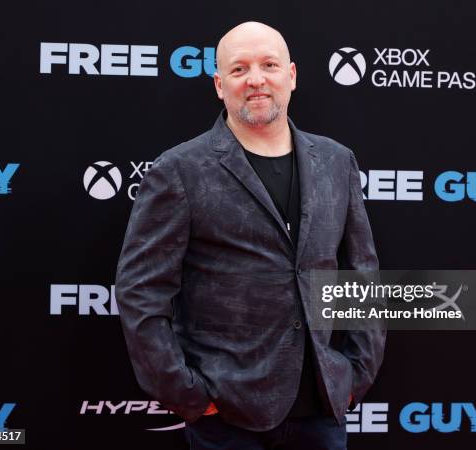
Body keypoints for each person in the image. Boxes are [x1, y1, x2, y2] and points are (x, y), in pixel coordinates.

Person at [115, 21, 385, 450]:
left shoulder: (336, 161)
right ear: (220, 85)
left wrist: (355, 372)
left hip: (322, 412)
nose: (256, 79)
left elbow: (362, 274)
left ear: (291, 76)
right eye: (239, 70)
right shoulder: (180, 170)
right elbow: (140, 292)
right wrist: (187, 394)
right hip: (227, 416)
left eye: (269, 65)